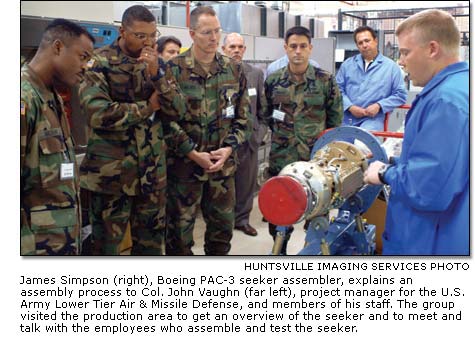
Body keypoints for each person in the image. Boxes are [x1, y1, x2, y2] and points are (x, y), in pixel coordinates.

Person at [79, 5, 182, 255]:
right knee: (105, 248)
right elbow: (99, 113)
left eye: (152, 35)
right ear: (122, 31)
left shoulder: (158, 65)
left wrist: (157, 75)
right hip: (111, 176)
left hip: (151, 174)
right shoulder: (99, 62)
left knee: (150, 248)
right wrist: (148, 107)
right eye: (140, 35)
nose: (148, 42)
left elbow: (178, 109)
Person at [364, 9, 468, 255]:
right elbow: (445, 164)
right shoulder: (460, 86)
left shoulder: (446, 101)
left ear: (432, 49)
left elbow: (428, 188)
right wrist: (390, 161)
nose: (401, 61)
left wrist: (384, 173)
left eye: (405, 52)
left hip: (430, 241)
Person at [160, 6, 250, 255]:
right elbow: (165, 120)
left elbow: (244, 118)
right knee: (178, 238)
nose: (214, 38)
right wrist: (191, 152)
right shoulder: (173, 70)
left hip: (222, 170)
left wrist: (229, 148)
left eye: (217, 31)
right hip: (184, 169)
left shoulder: (233, 69)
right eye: (206, 32)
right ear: (192, 33)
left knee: (221, 235)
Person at [264, 26, 342, 255]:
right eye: (293, 46)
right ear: (286, 48)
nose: (298, 51)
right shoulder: (274, 81)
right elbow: (267, 114)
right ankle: (280, 251)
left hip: (314, 161)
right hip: (282, 158)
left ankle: (313, 251)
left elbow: (335, 121)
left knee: (318, 214)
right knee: (279, 211)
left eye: (303, 47)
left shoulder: (326, 81)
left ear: (311, 48)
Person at [21, 19, 95, 255]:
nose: (86, 66)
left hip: (59, 243)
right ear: (57, 47)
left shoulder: (51, 98)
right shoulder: (24, 99)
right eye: (82, 57)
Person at [222, 32, 267, 237]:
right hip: (223, 141)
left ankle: (242, 220)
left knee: (246, 183)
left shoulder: (256, 74)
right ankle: (222, 222)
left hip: (249, 140)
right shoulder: (217, 73)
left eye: (240, 47)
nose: (236, 51)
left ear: (245, 50)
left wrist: (258, 134)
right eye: (232, 47)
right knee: (223, 184)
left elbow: (263, 110)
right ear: (224, 50)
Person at [336, 26, 407, 131]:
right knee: (339, 146)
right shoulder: (347, 65)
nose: (364, 45)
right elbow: (337, 90)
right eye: (360, 43)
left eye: (367, 41)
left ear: (376, 41)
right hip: (347, 119)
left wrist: (379, 105)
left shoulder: (391, 67)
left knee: (363, 145)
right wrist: (350, 107)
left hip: (372, 120)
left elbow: (400, 95)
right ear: (357, 46)